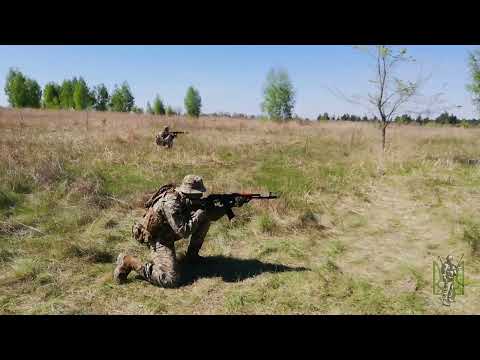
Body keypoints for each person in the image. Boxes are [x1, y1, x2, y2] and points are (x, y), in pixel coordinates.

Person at [113, 175, 249, 288]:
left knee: (205, 217)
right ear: (188, 192)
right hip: (157, 237)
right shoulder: (171, 203)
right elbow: (183, 231)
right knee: (170, 279)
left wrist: (230, 205)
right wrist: (199, 214)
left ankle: (192, 257)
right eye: (197, 194)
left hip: (169, 231)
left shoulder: (187, 199)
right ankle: (129, 261)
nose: (200, 196)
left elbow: (210, 216)